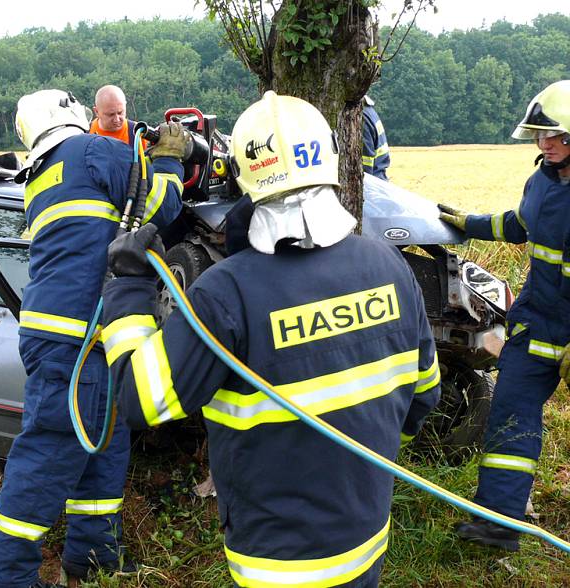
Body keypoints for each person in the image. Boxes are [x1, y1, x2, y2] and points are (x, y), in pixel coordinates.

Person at [100, 91, 441, 588]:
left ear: (245, 174)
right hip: (367, 546)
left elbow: (138, 401)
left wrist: (128, 287)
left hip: (275, 566)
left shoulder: (225, 293)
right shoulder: (390, 267)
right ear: (328, 158)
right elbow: (421, 399)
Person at [0, 88, 189, 588]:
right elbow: (160, 203)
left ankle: (93, 555)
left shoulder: (41, 175)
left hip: (76, 335)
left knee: (104, 442)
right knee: (49, 453)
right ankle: (6, 576)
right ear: (72, 114)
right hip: (77, 338)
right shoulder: (90, 151)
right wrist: (170, 158)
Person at [444, 80, 570, 552]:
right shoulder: (540, 181)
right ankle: (499, 523)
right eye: (540, 136)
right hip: (534, 327)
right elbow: (519, 225)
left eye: (556, 136)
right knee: (510, 418)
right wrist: (467, 223)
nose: (546, 144)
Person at [362, 95, 391, 180]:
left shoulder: (360, 117)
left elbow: (364, 168)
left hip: (371, 184)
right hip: (379, 178)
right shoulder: (369, 111)